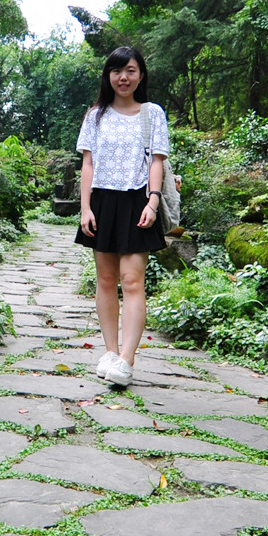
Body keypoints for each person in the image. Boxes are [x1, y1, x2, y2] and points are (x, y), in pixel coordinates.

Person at [74, 46, 169, 387]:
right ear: (108, 76)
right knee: (105, 280)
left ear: (140, 74)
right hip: (103, 201)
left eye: (130, 70)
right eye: (117, 71)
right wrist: (85, 208)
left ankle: (127, 361)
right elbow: (88, 164)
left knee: (132, 280)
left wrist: (153, 202)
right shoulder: (95, 116)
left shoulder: (152, 114)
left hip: (138, 200)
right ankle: (111, 352)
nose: (123, 77)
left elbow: (156, 160)